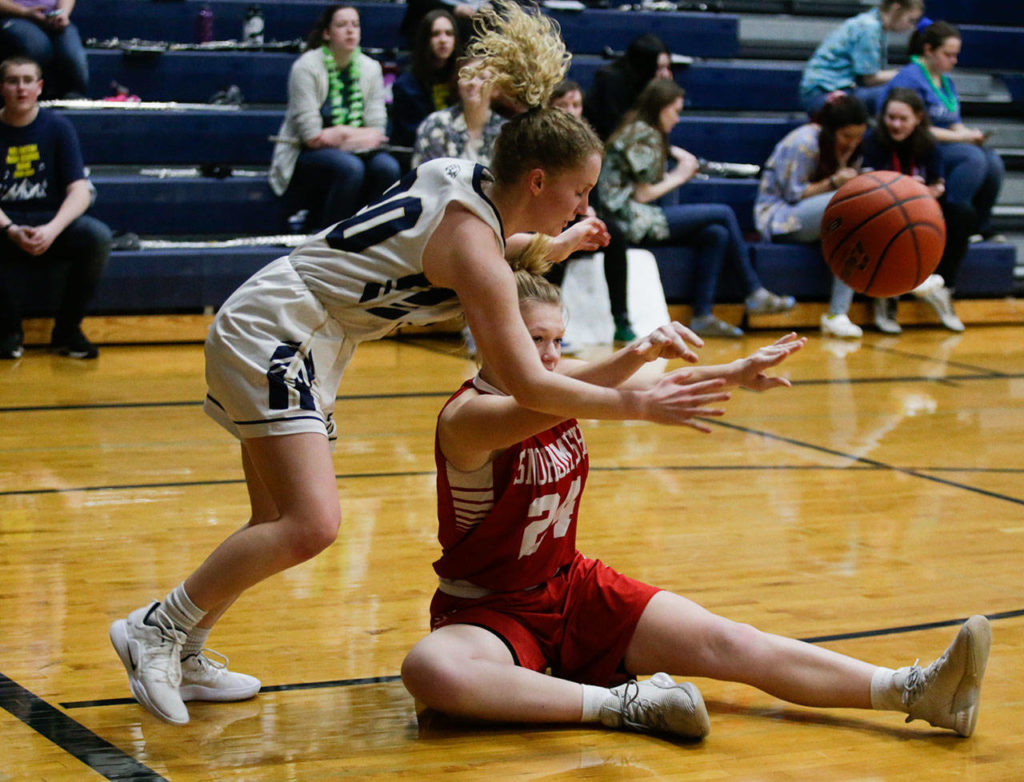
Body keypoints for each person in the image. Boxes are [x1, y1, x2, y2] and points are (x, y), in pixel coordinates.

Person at [108, 1, 718, 727]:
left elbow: (469, 251)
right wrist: (642, 403)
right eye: (577, 191)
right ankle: (159, 626)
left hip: (294, 320)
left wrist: (553, 248)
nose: (583, 203)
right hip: (280, 329)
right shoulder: (476, 253)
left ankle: (189, 644)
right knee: (311, 522)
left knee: (274, 515)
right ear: (534, 179)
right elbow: (527, 382)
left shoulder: (462, 176)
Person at [401, 269, 992, 741]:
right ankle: (622, 705)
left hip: (570, 586)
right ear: (491, 335)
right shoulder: (468, 417)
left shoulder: (557, 380)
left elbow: (604, 384)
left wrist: (732, 371)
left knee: (731, 641)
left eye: (559, 340)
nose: (552, 356)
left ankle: (914, 691)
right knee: (431, 671)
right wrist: (634, 375)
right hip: (490, 611)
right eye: (535, 341)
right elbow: (588, 396)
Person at [599, 79, 795, 339]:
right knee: (723, 212)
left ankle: (703, 315)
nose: (678, 119)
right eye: (675, 111)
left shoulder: (641, 131)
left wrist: (675, 154)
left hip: (632, 215)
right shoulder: (642, 133)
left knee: (717, 234)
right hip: (625, 218)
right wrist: (680, 175)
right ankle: (753, 291)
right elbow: (642, 193)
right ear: (660, 108)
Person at [0, 55, 110, 360]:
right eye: (12, 81)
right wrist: (10, 230)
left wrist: (51, 230)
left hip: (50, 224)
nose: (20, 88)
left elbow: (80, 190)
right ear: (2, 87)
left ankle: (67, 332)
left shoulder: (58, 128)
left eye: (27, 81)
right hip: (5, 226)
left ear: (39, 87)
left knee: (97, 236)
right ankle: (7, 333)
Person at [269, 5, 402, 231]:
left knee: (388, 167)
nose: (350, 31)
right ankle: (330, 241)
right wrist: (357, 136)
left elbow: (378, 131)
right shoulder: (306, 67)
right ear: (327, 33)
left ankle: (375, 239)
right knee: (350, 168)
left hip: (362, 150)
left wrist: (339, 134)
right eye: (342, 25)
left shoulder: (370, 68)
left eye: (355, 25)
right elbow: (312, 136)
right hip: (306, 153)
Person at [755, 92, 868, 339]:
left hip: (821, 218)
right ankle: (837, 313)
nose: (853, 142)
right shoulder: (803, 141)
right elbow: (792, 194)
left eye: (859, 136)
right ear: (831, 130)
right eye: (847, 136)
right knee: (849, 203)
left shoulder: (852, 147)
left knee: (855, 223)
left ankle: (837, 314)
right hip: (779, 218)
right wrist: (835, 181)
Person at [887, 19, 1005, 242]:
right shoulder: (909, 78)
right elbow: (913, 126)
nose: (954, 60)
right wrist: (960, 137)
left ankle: (979, 225)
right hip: (917, 143)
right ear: (929, 50)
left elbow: (953, 120)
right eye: (948, 54)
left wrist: (970, 135)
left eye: (955, 55)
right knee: (972, 159)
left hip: (945, 141)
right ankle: (953, 221)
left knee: (993, 161)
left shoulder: (946, 81)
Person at [861, 87, 967, 333]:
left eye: (903, 119)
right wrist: (904, 189)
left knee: (962, 215)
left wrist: (931, 191)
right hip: (883, 208)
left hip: (922, 207)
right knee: (890, 220)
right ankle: (886, 294)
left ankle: (942, 287)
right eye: (890, 118)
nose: (895, 124)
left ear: (918, 118)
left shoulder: (928, 143)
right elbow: (867, 184)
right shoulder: (873, 141)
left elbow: (937, 182)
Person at [547, 79, 634, 343]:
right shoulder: (542, 141)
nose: (572, 110)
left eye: (576, 104)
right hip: (548, 217)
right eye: (564, 105)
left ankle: (621, 317)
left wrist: (589, 212)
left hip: (578, 213)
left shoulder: (589, 142)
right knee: (558, 242)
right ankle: (551, 324)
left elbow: (591, 187)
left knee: (615, 234)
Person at [799, 0, 923, 116]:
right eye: (911, 20)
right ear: (896, 8)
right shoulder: (869, 27)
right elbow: (869, 79)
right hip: (823, 95)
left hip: (833, 90)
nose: (912, 27)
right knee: (896, 95)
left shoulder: (873, 24)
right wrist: (908, 72)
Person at [411, 54, 505, 168]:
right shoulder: (435, 124)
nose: (472, 82)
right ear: (458, 84)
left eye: (482, 77)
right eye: (467, 76)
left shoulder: (505, 131)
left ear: (495, 89)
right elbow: (424, 177)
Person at [390, 9, 460, 150]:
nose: (443, 40)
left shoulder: (463, 78)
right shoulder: (407, 84)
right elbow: (414, 133)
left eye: (449, 33)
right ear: (425, 40)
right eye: (435, 34)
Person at [584, 33, 672, 141]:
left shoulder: (648, 85)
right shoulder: (611, 83)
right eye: (659, 68)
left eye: (667, 67)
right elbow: (616, 131)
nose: (666, 74)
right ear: (645, 67)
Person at [0, 0, 88, 98]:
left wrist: (63, 13)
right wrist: (24, 12)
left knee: (73, 56)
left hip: (53, 16)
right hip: (12, 15)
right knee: (37, 47)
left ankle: (73, 99)